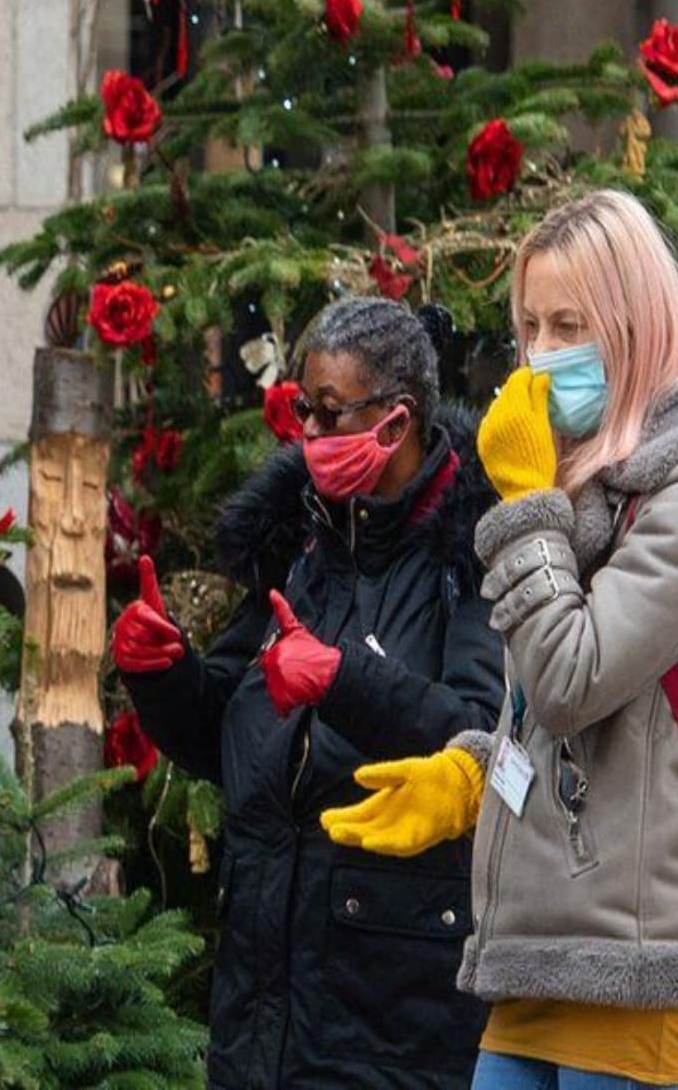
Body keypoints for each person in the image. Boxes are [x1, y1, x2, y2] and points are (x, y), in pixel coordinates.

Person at [322, 189, 678, 1089]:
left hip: (635, 967)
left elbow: (573, 678)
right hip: (534, 955)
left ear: (635, 326)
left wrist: (527, 510)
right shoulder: (583, 492)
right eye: (531, 327)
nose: (544, 355)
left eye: (573, 324)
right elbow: (560, 719)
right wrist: (473, 774)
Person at [113, 296, 504, 1087]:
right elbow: (231, 737)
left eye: (327, 414)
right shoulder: (299, 542)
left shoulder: (476, 553)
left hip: (396, 1017)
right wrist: (164, 678)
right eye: (301, 411)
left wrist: (342, 679)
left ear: (395, 424)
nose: (308, 438)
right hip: (261, 1012)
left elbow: (483, 740)